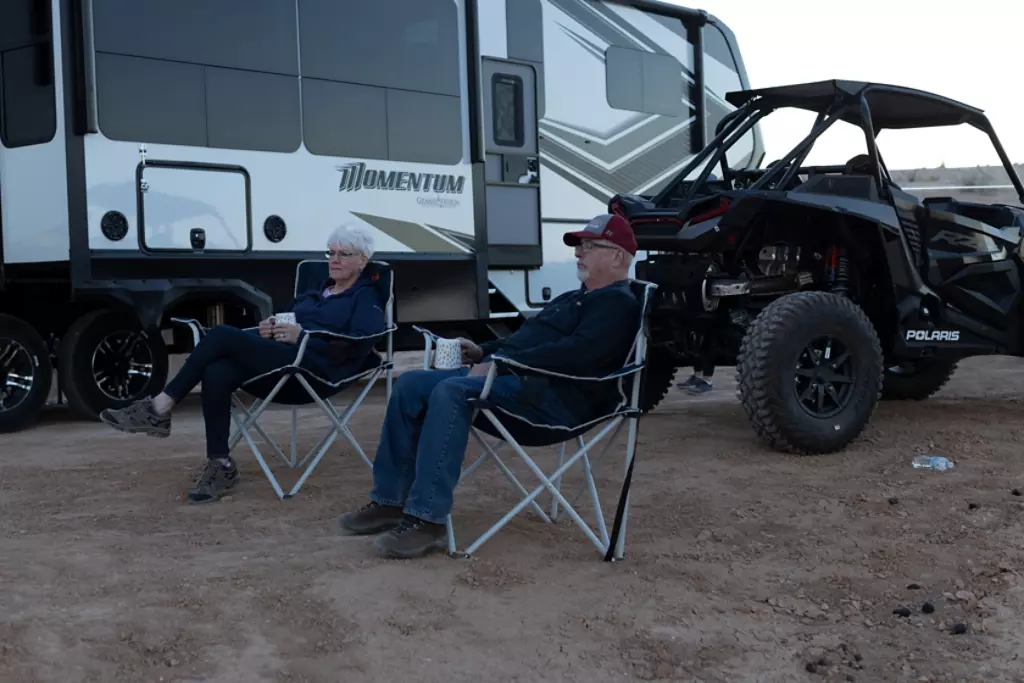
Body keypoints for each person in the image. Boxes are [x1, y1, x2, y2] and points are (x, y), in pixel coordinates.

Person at [336, 213, 642, 559]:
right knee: (410, 384)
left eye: (589, 246)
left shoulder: (618, 303)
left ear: (618, 256)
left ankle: (428, 520)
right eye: (578, 247)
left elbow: (579, 355)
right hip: (521, 383)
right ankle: (390, 501)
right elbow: (526, 341)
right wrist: (484, 351)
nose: (577, 254)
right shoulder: (573, 298)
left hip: (556, 403)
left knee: (452, 391)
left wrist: (501, 365)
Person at [99, 224, 387, 503]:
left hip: (314, 372)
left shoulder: (365, 297)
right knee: (217, 371)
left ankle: (159, 407)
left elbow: (359, 343)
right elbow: (289, 322)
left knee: (223, 334)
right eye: (331, 253)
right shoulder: (315, 293)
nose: (334, 260)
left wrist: (304, 338)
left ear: (362, 260)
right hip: (284, 365)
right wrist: (271, 328)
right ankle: (220, 464)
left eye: (343, 254)